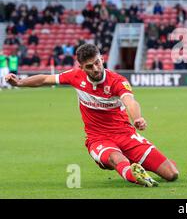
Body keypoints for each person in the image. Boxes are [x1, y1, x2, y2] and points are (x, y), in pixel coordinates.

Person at [6, 43, 178, 187]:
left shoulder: (117, 81)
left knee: (172, 174)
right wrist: (20, 82)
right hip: (98, 139)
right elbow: (44, 79)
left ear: (102, 59)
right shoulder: (75, 77)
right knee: (116, 157)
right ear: (81, 67)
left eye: (97, 62)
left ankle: (152, 165)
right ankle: (136, 177)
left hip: (126, 135)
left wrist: (138, 118)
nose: (95, 68)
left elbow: (130, 101)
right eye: (89, 66)